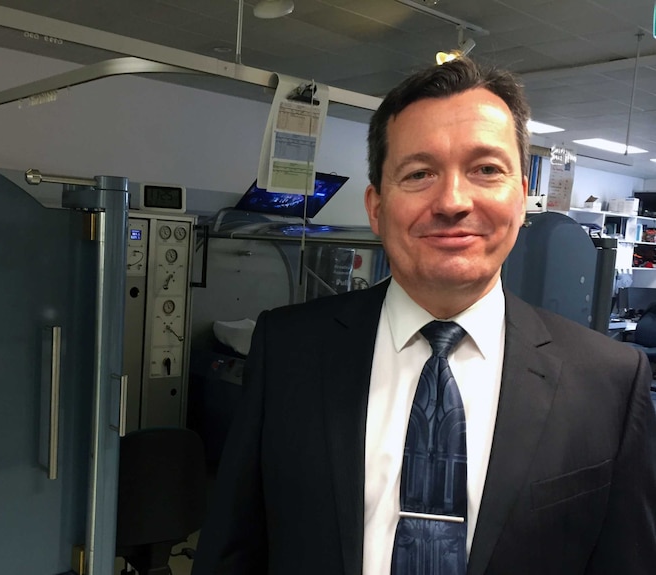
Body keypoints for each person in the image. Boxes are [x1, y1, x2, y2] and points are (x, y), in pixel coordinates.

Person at [191, 57, 656, 575]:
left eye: (486, 169)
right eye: (419, 173)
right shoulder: (289, 350)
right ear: (376, 206)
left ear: (522, 199)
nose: (453, 201)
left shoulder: (607, 382)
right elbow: (233, 551)